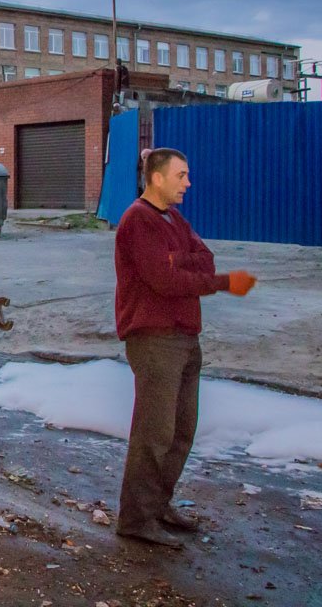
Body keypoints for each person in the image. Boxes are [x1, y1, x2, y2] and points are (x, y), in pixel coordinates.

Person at [113, 147, 256, 549]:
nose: (188, 183)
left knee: (180, 430)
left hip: (185, 335)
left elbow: (204, 258)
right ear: (157, 178)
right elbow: (165, 280)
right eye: (181, 175)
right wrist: (223, 282)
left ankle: (158, 505)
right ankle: (136, 519)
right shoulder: (138, 220)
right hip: (154, 337)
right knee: (154, 432)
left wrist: (184, 261)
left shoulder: (174, 218)